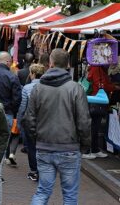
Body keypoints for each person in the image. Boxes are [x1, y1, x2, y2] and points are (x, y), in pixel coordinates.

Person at [23, 49, 91, 204]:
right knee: (70, 194)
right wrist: (84, 145)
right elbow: (84, 121)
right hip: (69, 148)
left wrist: (36, 140)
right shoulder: (76, 88)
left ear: (50, 63)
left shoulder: (38, 88)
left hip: (45, 146)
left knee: (43, 191)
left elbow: (29, 119)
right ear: (68, 65)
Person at [16, 64, 45, 181]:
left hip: (31, 121)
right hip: (45, 121)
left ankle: (34, 171)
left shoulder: (27, 88)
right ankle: (44, 169)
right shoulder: (48, 86)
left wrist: (19, 121)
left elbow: (23, 107)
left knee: (32, 147)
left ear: (32, 74)